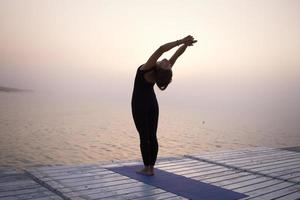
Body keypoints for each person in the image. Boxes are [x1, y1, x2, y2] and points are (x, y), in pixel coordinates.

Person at [131, 35, 197, 176]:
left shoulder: (148, 68)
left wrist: (181, 41)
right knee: (152, 136)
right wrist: (186, 44)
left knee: (144, 136)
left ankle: (147, 168)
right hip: (152, 104)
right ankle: (151, 168)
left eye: (166, 63)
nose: (167, 61)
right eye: (167, 63)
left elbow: (161, 49)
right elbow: (177, 55)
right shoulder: (160, 72)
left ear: (161, 68)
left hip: (139, 104)